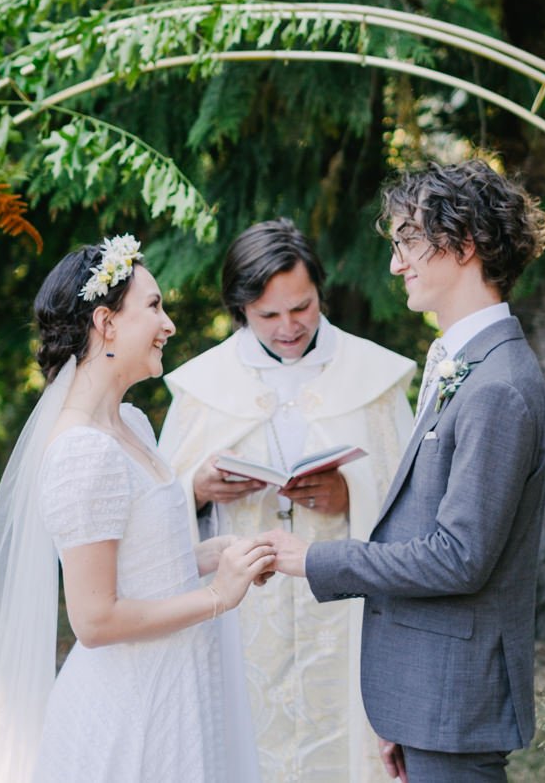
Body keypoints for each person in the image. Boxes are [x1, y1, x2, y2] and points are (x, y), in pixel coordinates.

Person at [266, 160, 545, 783]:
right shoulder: (463, 362)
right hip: (430, 698)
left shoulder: (498, 386)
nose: (397, 264)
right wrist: (402, 709)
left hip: (457, 699)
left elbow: (459, 557)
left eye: (407, 241)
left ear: (465, 242)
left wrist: (316, 558)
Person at [0, 234, 276, 782]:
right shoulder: (82, 449)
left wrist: (215, 554)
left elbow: (145, 562)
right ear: (106, 324)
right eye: (155, 307)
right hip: (132, 705)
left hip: (179, 679)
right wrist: (217, 596)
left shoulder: (131, 424)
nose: (169, 326)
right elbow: (94, 619)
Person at [160, 219, 416, 782]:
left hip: (346, 610)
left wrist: (351, 493)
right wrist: (198, 491)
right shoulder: (203, 387)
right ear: (240, 309)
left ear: (319, 291)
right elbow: (155, 512)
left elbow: (412, 501)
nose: (288, 328)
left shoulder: (374, 377)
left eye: (301, 308)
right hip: (239, 614)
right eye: (267, 315)